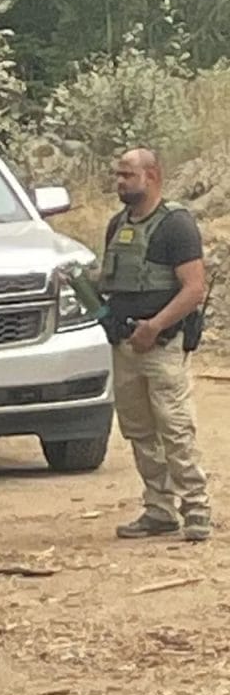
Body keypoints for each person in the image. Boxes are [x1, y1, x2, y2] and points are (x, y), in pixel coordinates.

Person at [101, 148, 211, 542]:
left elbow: (194, 289)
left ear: (152, 176)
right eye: (118, 175)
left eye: (128, 175)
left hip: (162, 344)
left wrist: (155, 326)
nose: (120, 182)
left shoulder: (176, 225)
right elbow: (112, 282)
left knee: (175, 426)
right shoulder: (118, 225)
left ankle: (196, 508)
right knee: (140, 430)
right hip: (126, 344)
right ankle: (159, 509)